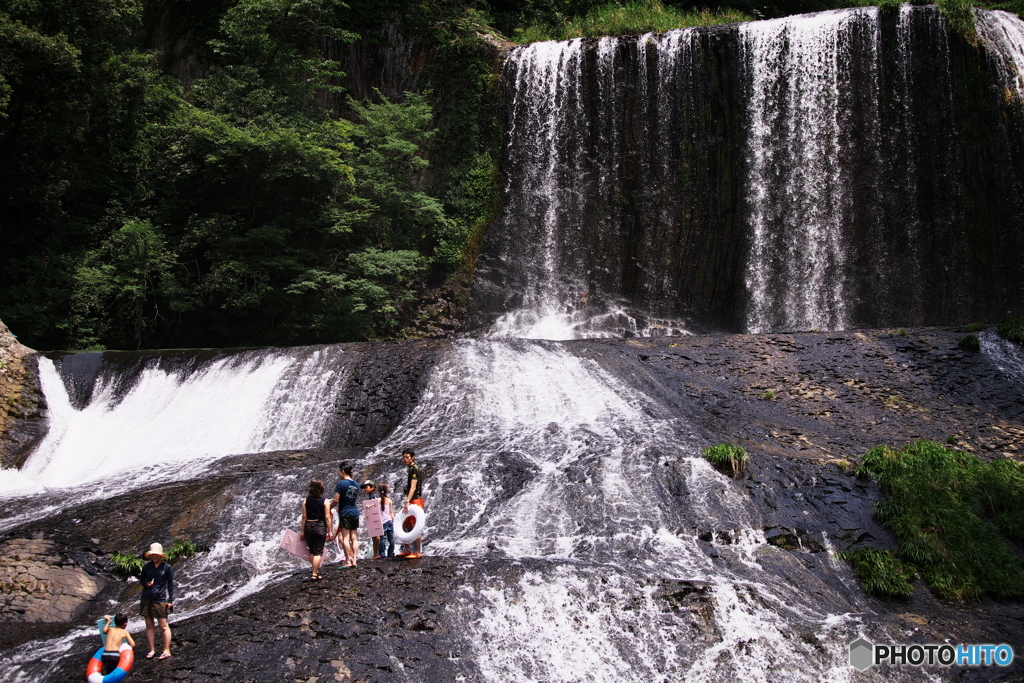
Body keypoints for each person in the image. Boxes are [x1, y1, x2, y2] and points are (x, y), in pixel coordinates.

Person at [140, 542, 174, 660]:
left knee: (163, 626)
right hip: (146, 597)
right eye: (152, 554)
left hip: (160, 598)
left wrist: (170, 600)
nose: (154, 556)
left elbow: (170, 585)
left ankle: (166, 650)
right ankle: (152, 650)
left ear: (160, 555)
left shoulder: (167, 567)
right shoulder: (147, 567)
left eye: (156, 554)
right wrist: (146, 584)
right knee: (149, 625)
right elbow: (142, 580)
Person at [299, 478, 333, 580]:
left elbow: (304, 517)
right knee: (318, 551)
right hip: (320, 526)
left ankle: (316, 572)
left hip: (308, 526)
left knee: (312, 551)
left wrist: (302, 531)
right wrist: (330, 531)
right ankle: (314, 573)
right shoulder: (325, 501)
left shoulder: (305, 501)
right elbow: (327, 517)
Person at [332, 462, 360, 568]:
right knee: (354, 538)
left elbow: (336, 500)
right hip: (355, 512)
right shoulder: (356, 485)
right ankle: (355, 561)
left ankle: (348, 561)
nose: (338, 474)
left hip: (345, 512)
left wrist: (329, 508)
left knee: (345, 538)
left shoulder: (341, 484)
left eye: (339, 472)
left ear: (342, 471)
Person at [400, 449, 425, 559]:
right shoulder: (411, 468)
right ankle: (408, 550)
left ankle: (418, 551)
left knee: (415, 526)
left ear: (412, 457)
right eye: (404, 457)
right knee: (407, 524)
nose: (405, 459)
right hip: (412, 499)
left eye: (407, 457)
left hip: (415, 500)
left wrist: (407, 501)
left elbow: (413, 486)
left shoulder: (414, 469)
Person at [361, 480, 382, 559]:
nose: (365, 489)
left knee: (375, 536)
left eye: (366, 487)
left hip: (375, 517)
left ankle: (376, 554)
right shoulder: (372, 495)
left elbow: (374, 505)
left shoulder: (373, 496)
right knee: (376, 536)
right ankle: (377, 553)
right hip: (375, 517)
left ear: (373, 487)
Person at [378, 482, 395, 558]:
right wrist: (393, 520)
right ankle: (391, 553)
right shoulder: (389, 500)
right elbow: (391, 512)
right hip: (389, 521)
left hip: (381, 522)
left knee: (382, 539)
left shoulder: (376, 500)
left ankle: (382, 554)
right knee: (391, 538)